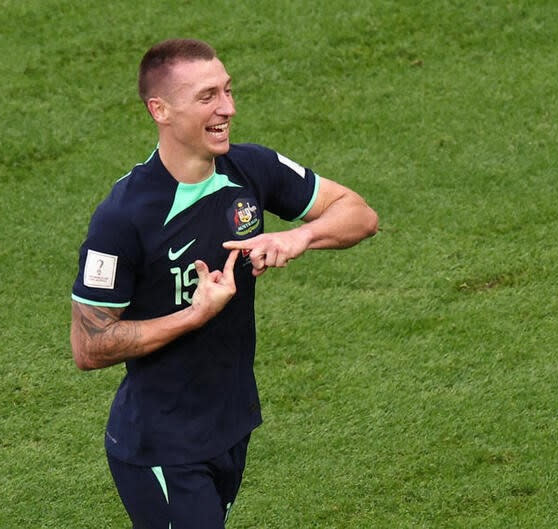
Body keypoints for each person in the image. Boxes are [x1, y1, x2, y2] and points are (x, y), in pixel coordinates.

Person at [70, 38, 378, 529]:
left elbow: (360, 215)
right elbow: (89, 345)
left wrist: (302, 236)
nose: (228, 109)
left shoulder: (250, 169)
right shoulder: (124, 215)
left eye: (228, 92)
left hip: (231, 424)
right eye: (208, 97)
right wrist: (195, 314)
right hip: (163, 445)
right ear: (160, 110)